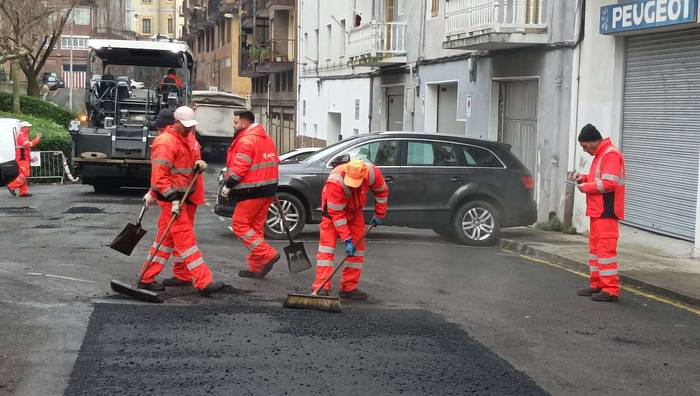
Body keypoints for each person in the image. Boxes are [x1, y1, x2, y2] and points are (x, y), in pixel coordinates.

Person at [140, 106, 224, 296]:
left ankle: (146, 278)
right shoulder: (165, 143)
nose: (188, 129)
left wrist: (197, 166)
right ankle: (204, 282)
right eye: (185, 126)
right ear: (175, 123)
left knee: (164, 243)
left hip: (182, 200)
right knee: (186, 242)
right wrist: (170, 198)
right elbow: (160, 178)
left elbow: (180, 171)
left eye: (190, 126)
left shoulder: (185, 139)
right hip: (174, 201)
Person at [311, 159, 388, 300]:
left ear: (364, 177)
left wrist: (380, 213)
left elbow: (381, 191)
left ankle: (349, 287)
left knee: (357, 250)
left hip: (355, 212)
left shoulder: (372, 173)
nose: (352, 186)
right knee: (326, 250)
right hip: (333, 214)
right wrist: (347, 239)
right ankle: (321, 287)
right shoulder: (335, 182)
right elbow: (337, 215)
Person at [221, 110, 280, 278]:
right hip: (267, 191)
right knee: (255, 228)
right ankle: (256, 266)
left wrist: (228, 185)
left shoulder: (246, 141)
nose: (234, 125)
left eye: (236, 122)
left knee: (240, 225)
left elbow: (240, 167)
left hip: (250, 191)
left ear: (245, 124)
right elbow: (274, 163)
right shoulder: (267, 139)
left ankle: (268, 254)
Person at [574, 124, 625, 302]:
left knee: (605, 252)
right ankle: (597, 285)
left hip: (606, 212)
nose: (584, 150)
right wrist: (584, 177)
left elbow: (609, 184)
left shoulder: (610, 154)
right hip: (598, 212)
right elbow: (599, 179)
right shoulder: (600, 154)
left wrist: (585, 187)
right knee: (595, 251)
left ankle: (611, 289)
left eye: (585, 146)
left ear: (595, 141)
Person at [7, 121, 41, 197]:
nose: (29, 128)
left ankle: (23, 192)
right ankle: (11, 186)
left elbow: (25, 149)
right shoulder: (21, 135)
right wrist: (37, 139)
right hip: (22, 158)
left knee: (23, 175)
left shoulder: (23, 135)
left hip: (23, 157)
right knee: (25, 174)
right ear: (23, 128)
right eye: (28, 127)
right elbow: (28, 145)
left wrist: (30, 158)